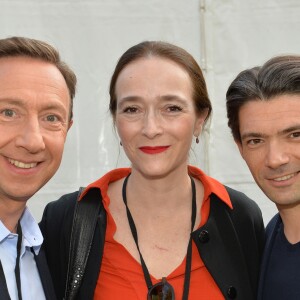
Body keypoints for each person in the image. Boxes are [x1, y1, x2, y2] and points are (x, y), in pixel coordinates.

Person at [41, 41, 264, 300]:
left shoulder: (239, 217)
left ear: (200, 119)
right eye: (132, 109)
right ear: (116, 119)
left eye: (172, 108)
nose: (151, 128)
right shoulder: (66, 221)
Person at [0, 36, 76, 300]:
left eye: (51, 118)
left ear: (67, 129)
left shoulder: (52, 253)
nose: (32, 141)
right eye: (8, 113)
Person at [226, 55, 300, 300]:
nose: (275, 159)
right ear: (240, 148)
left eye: (295, 134)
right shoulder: (267, 238)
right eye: (256, 141)